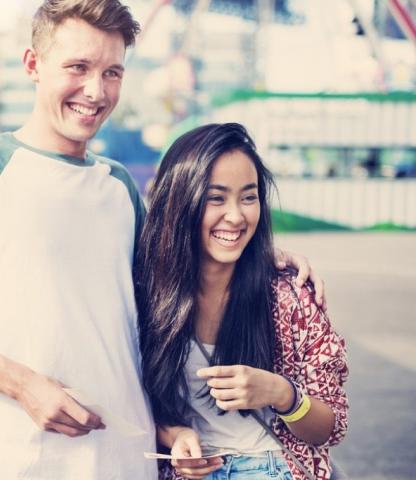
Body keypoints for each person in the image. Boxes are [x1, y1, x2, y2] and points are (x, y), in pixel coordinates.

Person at [0, 2, 323, 478]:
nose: (96, 91)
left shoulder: (119, 185)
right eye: (77, 67)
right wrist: (24, 386)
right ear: (33, 65)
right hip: (26, 458)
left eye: (112, 72)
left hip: (132, 461)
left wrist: (262, 256)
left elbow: (170, 274)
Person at [135, 123, 348, 480]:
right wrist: (176, 436)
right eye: (216, 198)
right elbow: (127, 395)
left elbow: (331, 427)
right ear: (180, 200)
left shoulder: (290, 295)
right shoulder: (144, 293)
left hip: (274, 467)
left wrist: (282, 394)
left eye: (248, 197)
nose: (236, 216)